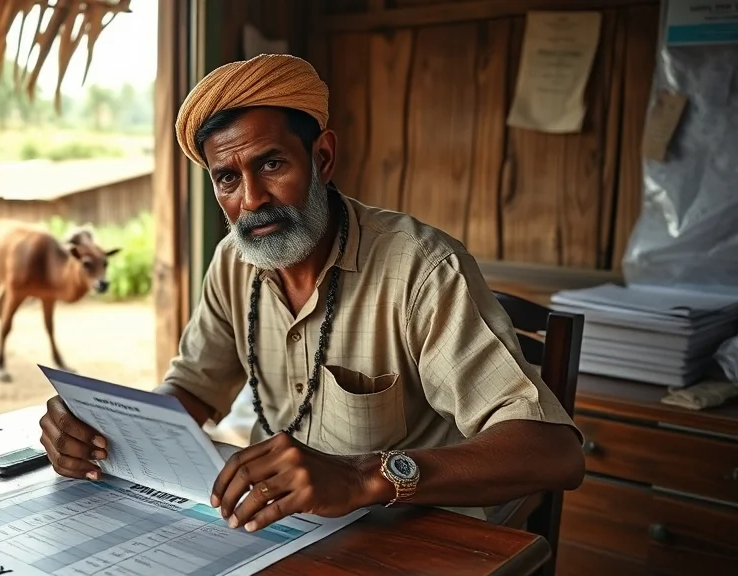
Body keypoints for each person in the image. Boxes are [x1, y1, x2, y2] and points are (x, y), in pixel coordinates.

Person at [40, 53, 585, 533]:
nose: (251, 200)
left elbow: (554, 453)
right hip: (277, 525)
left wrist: (359, 477)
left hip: (410, 532)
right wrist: (105, 430)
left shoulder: (421, 267)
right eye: (226, 178)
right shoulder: (234, 260)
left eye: (271, 164)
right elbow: (195, 389)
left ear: (322, 158)